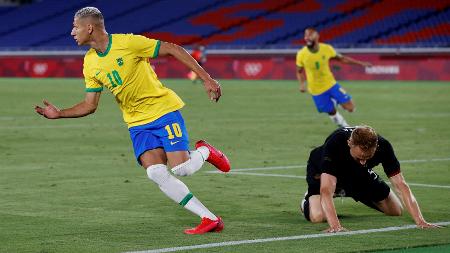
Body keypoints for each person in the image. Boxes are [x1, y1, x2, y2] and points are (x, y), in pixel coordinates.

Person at [34, 7, 231, 235]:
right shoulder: (90, 62)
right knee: (155, 173)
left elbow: (172, 48)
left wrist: (206, 79)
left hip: (162, 110)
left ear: (90, 27)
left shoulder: (128, 43)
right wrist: (60, 114)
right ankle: (209, 217)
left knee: (183, 169)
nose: (72, 32)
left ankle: (205, 151)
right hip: (137, 123)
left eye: (75, 27)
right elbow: (90, 104)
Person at [300, 126, 440, 232]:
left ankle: (350, 191)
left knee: (395, 210)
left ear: (376, 146)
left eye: (368, 157)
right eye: (360, 157)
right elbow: (326, 188)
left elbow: (400, 184)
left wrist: (420, 221)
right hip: (324, 171)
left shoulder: (384, 147)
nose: (363, 161)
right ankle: (308, 200)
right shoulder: (335, 144)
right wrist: (336, 226)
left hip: (359, 174)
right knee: (318, 217)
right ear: (350, 143)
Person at [296, 27, 372, 127]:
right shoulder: (301, 54)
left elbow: (342, 59)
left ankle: (336, 101)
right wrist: (302, 84)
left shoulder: (327, 49)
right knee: (331, 112)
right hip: (316, 90)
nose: (307, 37)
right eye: (306, 36)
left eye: (310, 35)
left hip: (331, 84)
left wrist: (361, 63)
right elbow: (299, 71)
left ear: (317, 36)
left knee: (351, 108)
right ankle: (346, 127)